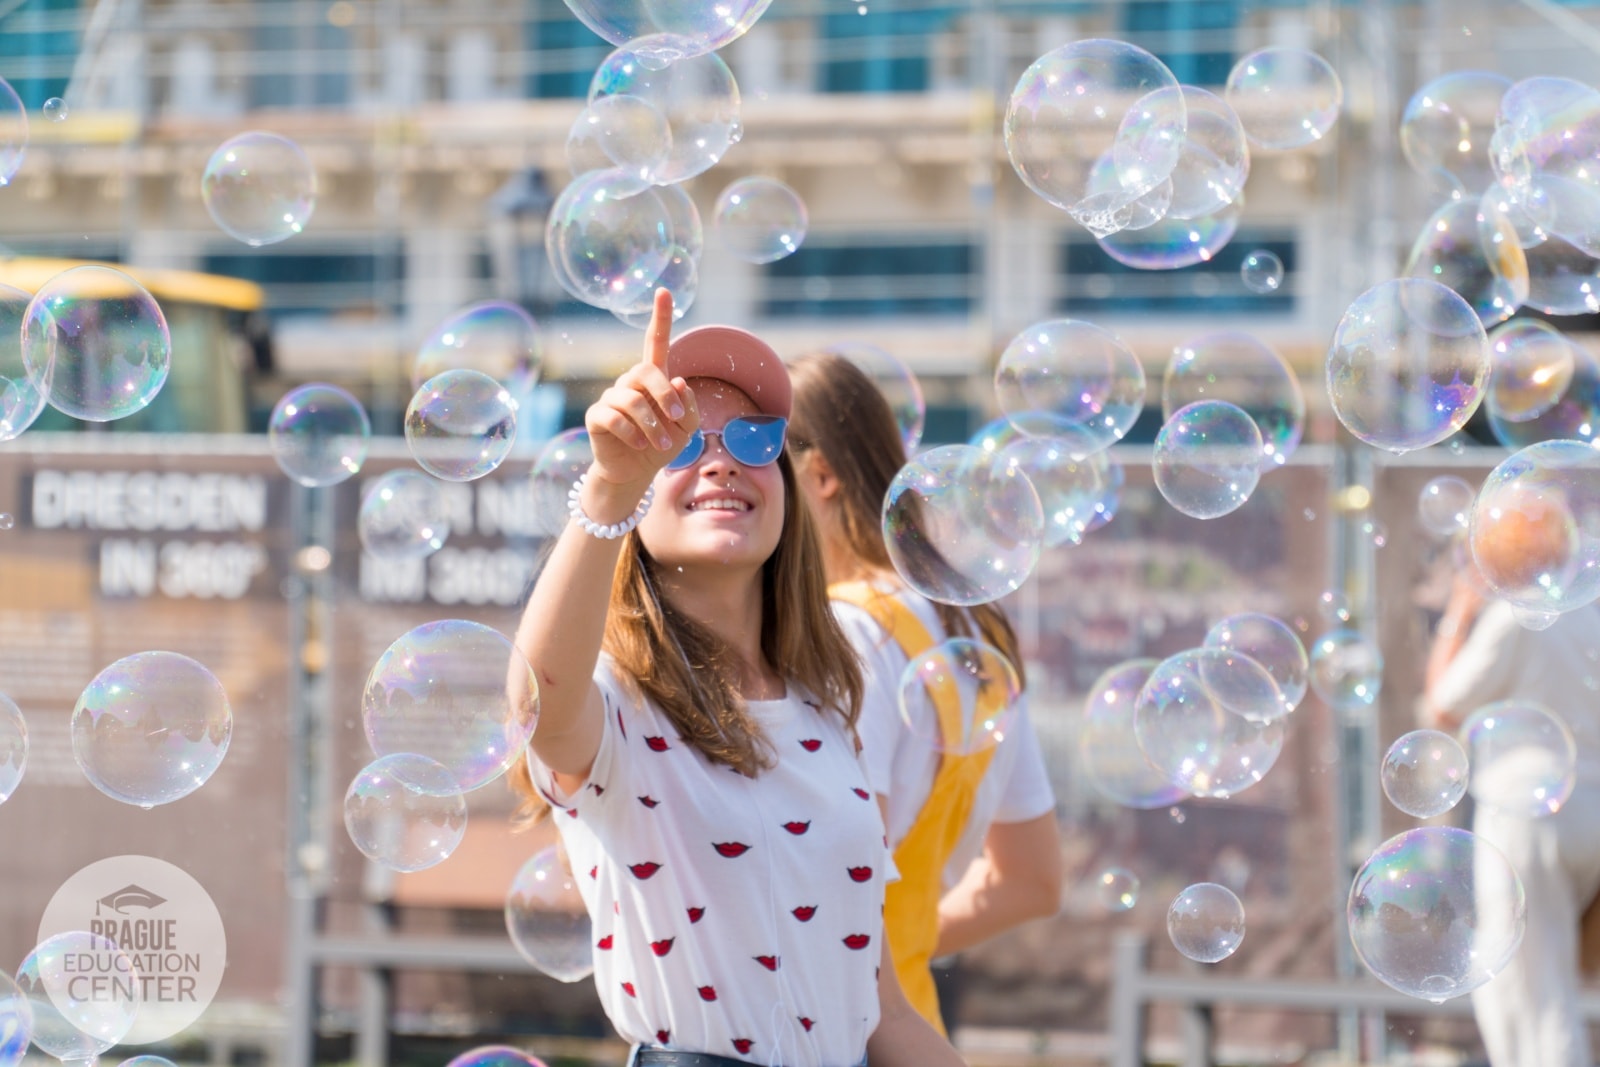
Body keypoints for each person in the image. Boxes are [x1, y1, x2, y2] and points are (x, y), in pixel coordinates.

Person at [508, 292, 965, 1067]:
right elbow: (537, 703)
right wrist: (610, 488)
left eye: (756, 438)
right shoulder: (617, 704)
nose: (723, 459)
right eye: (682, 442)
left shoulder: (828, 708)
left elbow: (878, 1008)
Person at [785, 351, 1062, 1034]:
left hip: (825, 1028)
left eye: (759, 453)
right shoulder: (975, 627)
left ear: (819, 474)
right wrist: (904, 941)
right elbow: (1032, 881)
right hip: (914, 1022)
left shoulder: (846, 632)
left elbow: (838, 880)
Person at [1424, 509, 1600, 1067]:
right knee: (1556, 982)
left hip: (1528, 817)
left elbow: (1442, 705)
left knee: (1527, 996)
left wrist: (1459, 610)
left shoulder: (1515, 617)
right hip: (1591, 809)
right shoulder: (1589, 611)